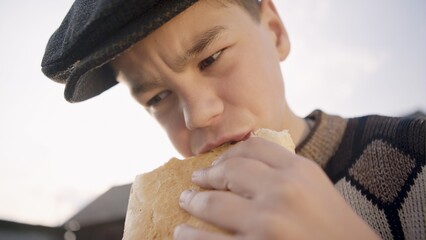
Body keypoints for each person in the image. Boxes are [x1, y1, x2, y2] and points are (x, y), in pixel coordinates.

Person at [42, 0, 425, 239]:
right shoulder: (173, 224)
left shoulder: (414, 155)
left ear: (274, 32)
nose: (198, 116)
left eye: (211, 58)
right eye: (158, 97)